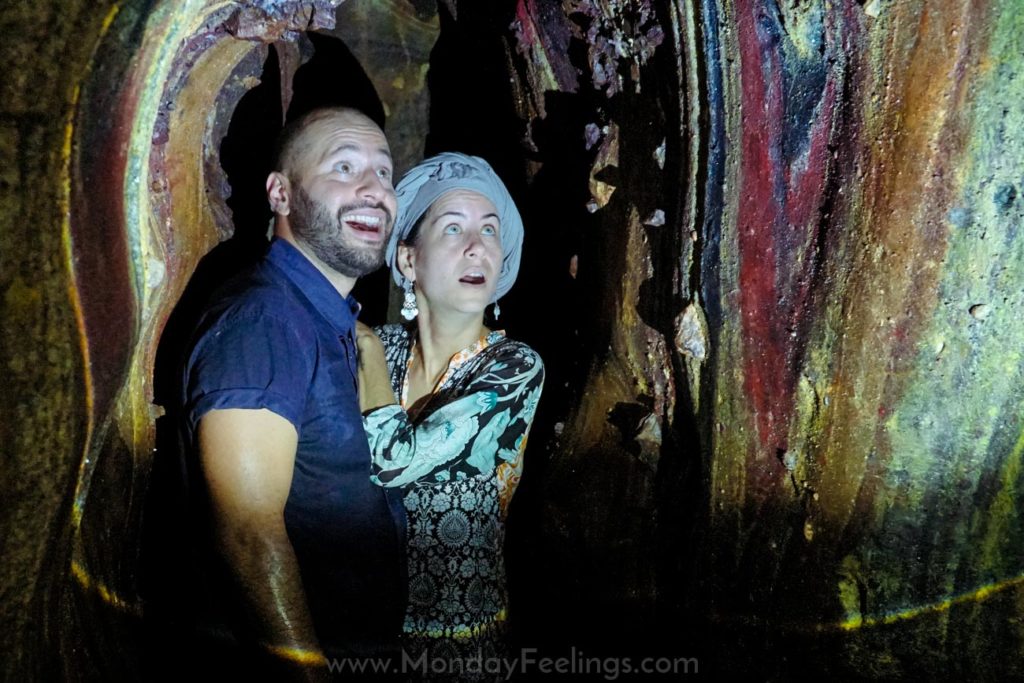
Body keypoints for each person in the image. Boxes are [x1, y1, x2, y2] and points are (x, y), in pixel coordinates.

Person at [179, 106, 406, 677]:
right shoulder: (266, 320)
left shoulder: (323, 320)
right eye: (344, 167)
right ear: (279, 194)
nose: (372, 190)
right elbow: (246, 531)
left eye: (383, 172)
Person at [355, 152, 545, 679]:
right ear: (408, 260)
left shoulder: (512, 369)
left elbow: (395, 460)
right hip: (358, 637)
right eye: (453, 228)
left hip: (461, 651)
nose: (477, 246)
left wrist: (365, 351)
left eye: (489, 230)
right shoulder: (384, 347)